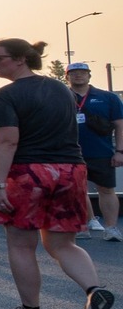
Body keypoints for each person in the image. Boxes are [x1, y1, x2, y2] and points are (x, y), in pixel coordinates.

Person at [0, 39, 113, 309]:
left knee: (21, 244)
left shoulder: (6, 95)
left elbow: (7, 141)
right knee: (62, 244)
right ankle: (94, 290)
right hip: (70, 169)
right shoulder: (61, 89)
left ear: (19, 59)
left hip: (28, 172)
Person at [66, 61, 123, 239]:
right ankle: (82, 225)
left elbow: (120, 125)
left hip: (101, 151)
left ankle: (111, 228)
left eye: (82, 72)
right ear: (67, 76)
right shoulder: (61, 97)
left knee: (106, 190)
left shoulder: (108, 97)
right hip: (70, 152)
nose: (78, 75)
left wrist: (120, 151)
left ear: (89, 75)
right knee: (76, 190)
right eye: (74, 72)